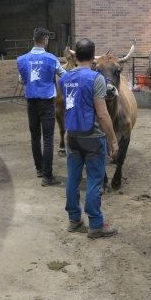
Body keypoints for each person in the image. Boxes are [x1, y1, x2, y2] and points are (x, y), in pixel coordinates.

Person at [61, 38, 119, 239]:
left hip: (72, 135)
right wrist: (113, 140)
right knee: (94, 180)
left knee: (73, 179)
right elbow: (102, 114)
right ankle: (96, 224)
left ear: (75, 55)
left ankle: (74, 220)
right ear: (93, 56)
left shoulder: (65, 78)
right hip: (93, 137)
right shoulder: (96, 79)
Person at [17, 27, 63, 186]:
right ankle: (48, 176)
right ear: (45, 40)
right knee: (48, 138)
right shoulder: (51, 58)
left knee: (35, 136)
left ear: (34, 39)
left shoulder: (22, 59)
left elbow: (22, 80)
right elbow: (63, 75)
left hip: (31, 102)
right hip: (47, 102)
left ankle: (39, 169)